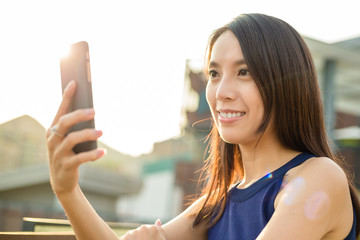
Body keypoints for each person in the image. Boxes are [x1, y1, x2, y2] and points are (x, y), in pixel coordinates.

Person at [47, 13, 359, 240]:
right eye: (213, 73)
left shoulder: (318, 177)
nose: (221, 91)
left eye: (244, 71)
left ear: (286, 83)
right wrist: (68, 191)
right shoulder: (219, 202)